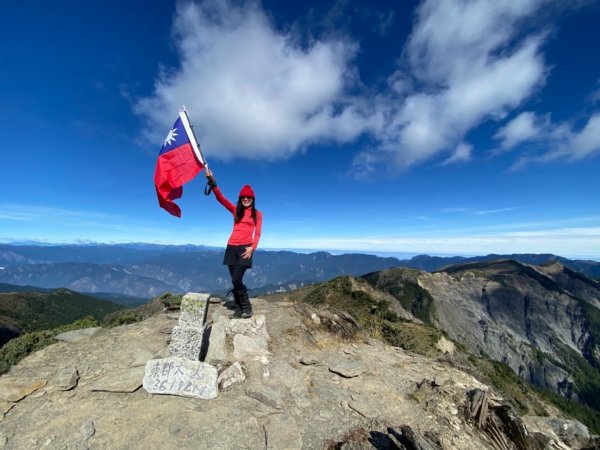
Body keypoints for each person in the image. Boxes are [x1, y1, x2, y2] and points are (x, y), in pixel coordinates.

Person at [205, 169, 262, 318]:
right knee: (234, 280)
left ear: (253, 199)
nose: (246, 199)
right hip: (231, 248)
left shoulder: (258, 214)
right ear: (240, 198)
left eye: (248, 197)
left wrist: (252, 249)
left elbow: (258, 233)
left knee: (237, 279)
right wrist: (213, 182)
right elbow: (221, 199)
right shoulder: (236, 210)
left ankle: (247, 307)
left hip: (245, 249)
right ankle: (238, 308)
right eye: (243, 197)